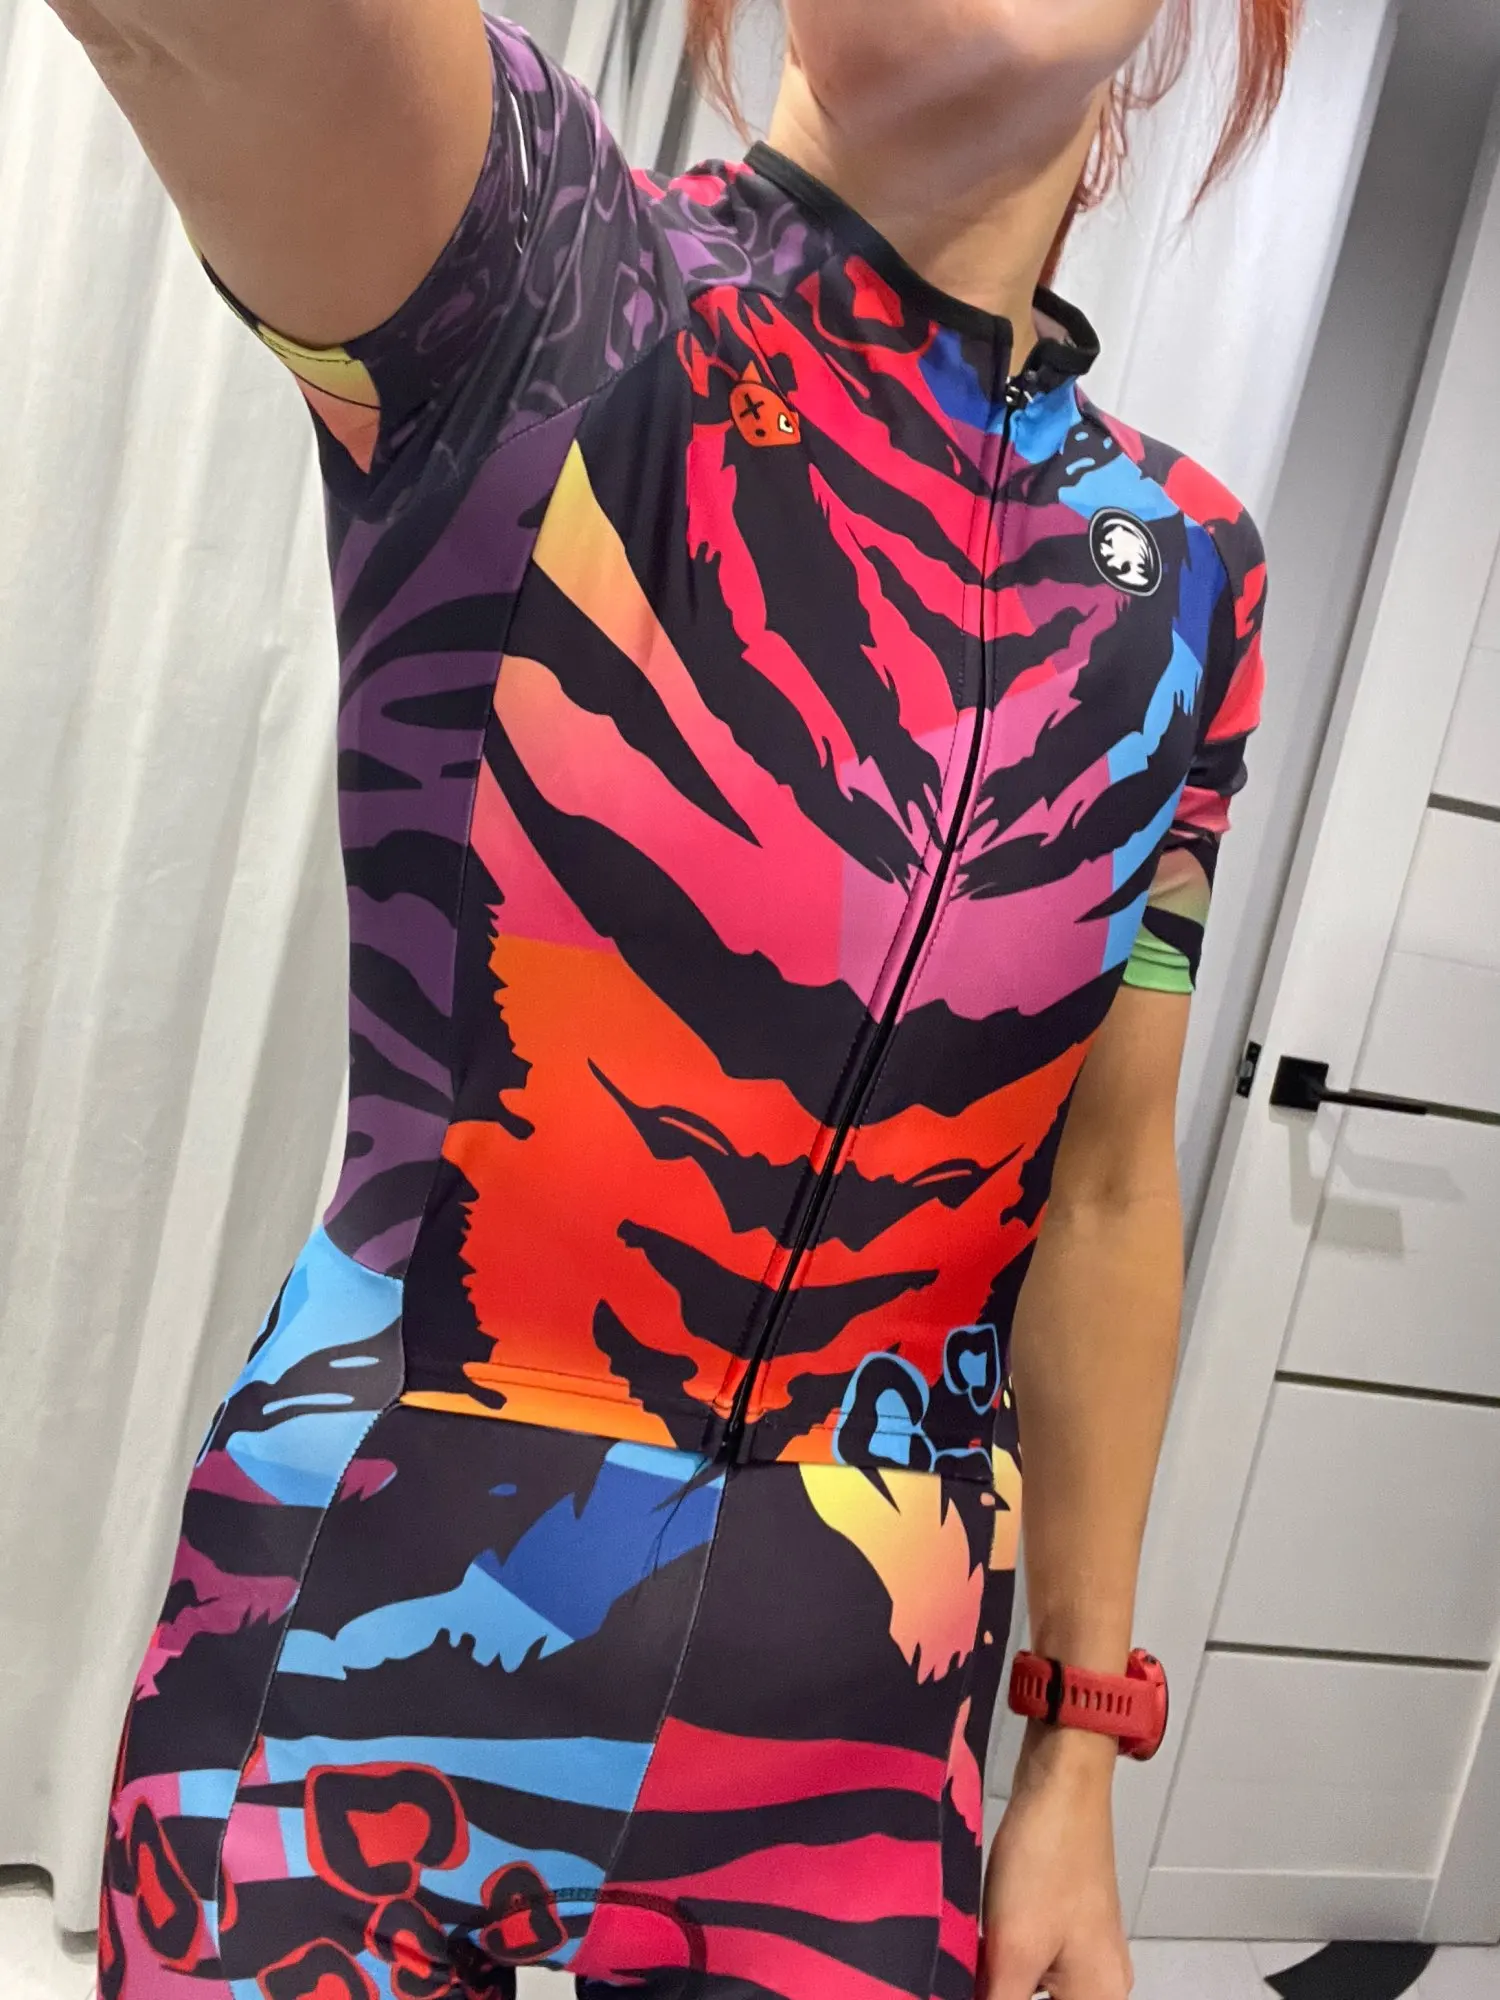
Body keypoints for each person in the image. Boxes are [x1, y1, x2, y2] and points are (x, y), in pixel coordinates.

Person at [49, 0, 1291, 1995]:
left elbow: (1108, 1189)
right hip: (346, 1668)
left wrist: (1077, 1743)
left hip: (856, 1753)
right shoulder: (545, 270)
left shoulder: (1190, 571)